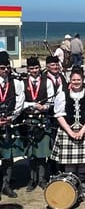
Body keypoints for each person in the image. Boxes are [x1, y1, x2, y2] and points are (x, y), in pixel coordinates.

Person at [50, 66, 85, 187]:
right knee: (69, 164)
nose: (76, 82)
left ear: (83, 80)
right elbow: (59, 115)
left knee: (84, 163)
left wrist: (82, 131)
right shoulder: (62, 94)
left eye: (78, 80)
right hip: (67, 131)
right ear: (70, 81)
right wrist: (70, 132)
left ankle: (82, 185)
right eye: (74, 80)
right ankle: (70, 187)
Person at [19, 57, 55, 191]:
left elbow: (52, 100)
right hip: (28, 120)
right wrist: (33, 104)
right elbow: (20, 101)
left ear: (40, 68)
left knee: (43, 153)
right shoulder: (22, 83)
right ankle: (32, 180)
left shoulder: (48, 82)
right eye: (31, 68)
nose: (34, 71)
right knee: (31, 153)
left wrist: (44, 107)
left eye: (36, 68)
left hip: (42, 119)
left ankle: (42, 179)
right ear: (28, 70)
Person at [0, 53, 25, 198]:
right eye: (2, 68)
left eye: (7, 68)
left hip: (9, 123)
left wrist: (11, 118)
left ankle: (6, 185)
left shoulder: (16, 83)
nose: (5, 70)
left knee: (8, 157)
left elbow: (20, 102)